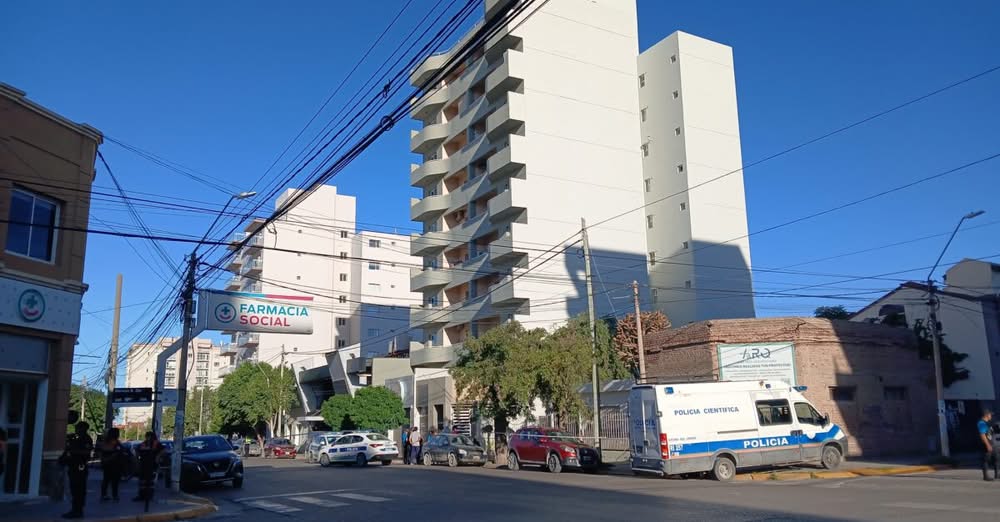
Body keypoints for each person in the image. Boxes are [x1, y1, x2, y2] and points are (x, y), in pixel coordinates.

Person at [60, 421, 94, 519]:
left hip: (80, 467)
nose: (76, 430)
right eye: (77, 428)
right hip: (73, 467)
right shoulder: (76, 438)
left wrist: (73, 451)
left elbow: (86, 453)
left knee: (79, 490)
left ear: (84, 429)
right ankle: (75, 509)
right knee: (74, 489)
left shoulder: (86, 439)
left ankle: (78, 510)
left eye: (79, 428)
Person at [134, 432, 164, 502]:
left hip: (152, 465)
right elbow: (137, 449)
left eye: (148, 436)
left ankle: (149, 496)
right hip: (143, 464)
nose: (147, 438)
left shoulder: (156, 443)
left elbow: (163, 450)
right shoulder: (144, 443)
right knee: (142, 481)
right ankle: (141, 496)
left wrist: (158, 457)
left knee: (150, 482)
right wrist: (137, 458)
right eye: (146, 436)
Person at [98, 427, 126, 501]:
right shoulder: (116, 442)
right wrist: (108, 459)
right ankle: (115, 495)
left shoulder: (105, 442)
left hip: (106, 464)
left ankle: (104, 495)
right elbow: (117, 453)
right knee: (115, 481)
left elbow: (101, 452)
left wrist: (103, 460)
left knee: (106, 479)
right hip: (114, 464)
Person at [978, 409, 998, 481]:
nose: (991, 416)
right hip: (986, 444)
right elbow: (982, 435)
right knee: (986, 460)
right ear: (986, 415)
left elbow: (992, 432)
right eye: (990, 415)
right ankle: (986, 476)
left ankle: (997, 474)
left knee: (996, 458)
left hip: (992, 443)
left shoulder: (988, 423)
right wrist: (987, 445)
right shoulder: (981, 423)